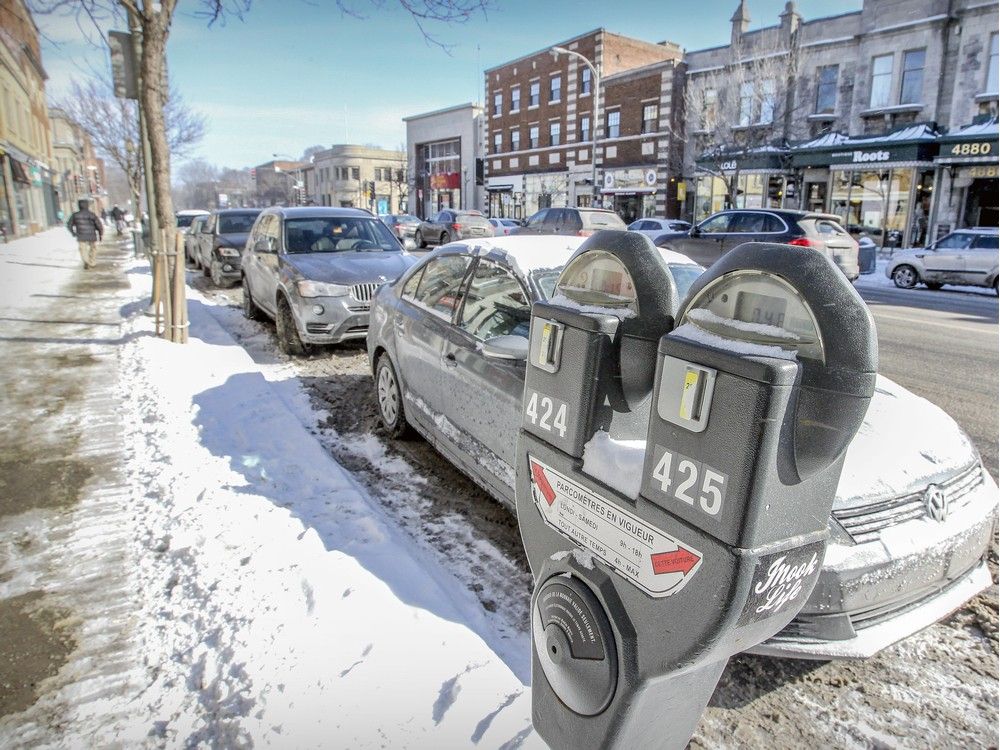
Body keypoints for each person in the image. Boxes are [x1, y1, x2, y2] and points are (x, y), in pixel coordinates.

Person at [67, 199, 104, 270]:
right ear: (87, 206)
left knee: (83, 250)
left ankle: (86, 261)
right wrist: (100, 234)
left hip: (81, 235)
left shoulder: (75, 215)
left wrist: (73, 233)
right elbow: (99, 225)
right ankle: (92, 262)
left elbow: (69, 225)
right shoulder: (92, 214)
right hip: (91, 235)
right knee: (93, 249)